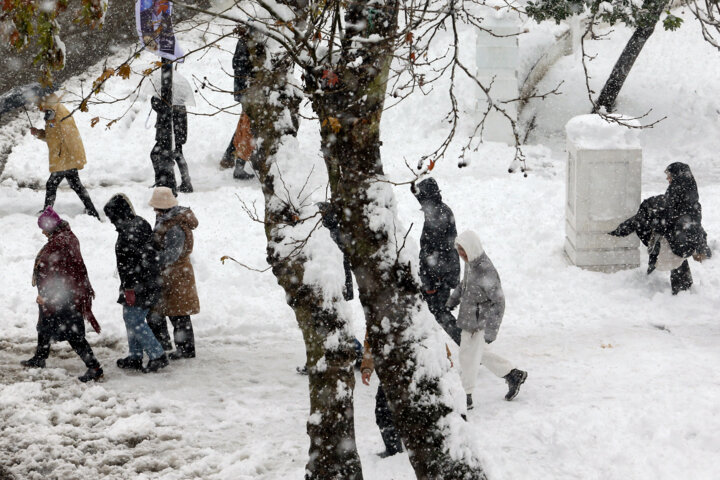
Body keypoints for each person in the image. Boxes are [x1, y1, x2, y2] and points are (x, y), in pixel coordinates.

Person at [21, 207, 103, 382]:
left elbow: (60, 276)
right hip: (67, 293)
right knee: (44, 326)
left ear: (50, 227)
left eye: (43, 228)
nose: (42, 232)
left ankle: (94, 367)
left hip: (64, 297)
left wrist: (48, 297)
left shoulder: (60, 243)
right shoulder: (65, 236)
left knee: (74, 334)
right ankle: (40, 357)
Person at [448, 230, 527, 409]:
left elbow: (499, 302)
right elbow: (464, 284)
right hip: (468, 318)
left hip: (479, 322)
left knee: (467, 357)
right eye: (459, 251)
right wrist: (453, 300)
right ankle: (512, 374)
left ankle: (466, 396)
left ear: (472, 248)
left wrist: (491, 330)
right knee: (477, 354)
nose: (461, 255)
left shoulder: (485, 269)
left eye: (463, 251)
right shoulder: (470, 263)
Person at [609, 162, 711, 294]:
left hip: (679, 243)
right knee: (677, 255)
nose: (667, 179)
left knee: (674, 253)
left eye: (669, 176)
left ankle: (682, 293)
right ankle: (683, 288)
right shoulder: (688, 195)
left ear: (677, 177)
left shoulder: (678, 197)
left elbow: (668, 216)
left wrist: (647, 223)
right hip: (685, 242)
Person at [104, 194, 169, 373]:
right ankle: (135, 356)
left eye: (112, 217)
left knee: (135, 319)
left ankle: (157, 355)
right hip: (146, 281)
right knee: (131, 318)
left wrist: (130, 288)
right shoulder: (139, 222)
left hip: (139, 284)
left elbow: (133, 265)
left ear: (119, 214)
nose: (111, 222)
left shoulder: (129, 232)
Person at [146, 187, 200, 360]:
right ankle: (170, 345)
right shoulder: (166, 219)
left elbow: (172, 254)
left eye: (157, 207)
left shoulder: (175, 226)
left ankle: (186, 350)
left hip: (177, 274)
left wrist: (151, 258)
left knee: (179, 314)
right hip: (171, 273)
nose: (154, 210)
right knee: (169, 310)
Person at [30, 93, 100, 219]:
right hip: (64, 159)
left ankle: (47, 213)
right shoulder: (52, 114)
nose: (39, 108)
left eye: (40, 105)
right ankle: (92, 211)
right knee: (76, 186)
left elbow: (72, 139)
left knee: (51, 184)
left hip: (64, 159)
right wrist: (38, 133)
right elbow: (52, 137)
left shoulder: (61, 116)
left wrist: (74, 158)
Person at [411, 178, 462, 345]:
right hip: (444, 272)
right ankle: (467, 346)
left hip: (439, 275)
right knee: (437, 313)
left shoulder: (437, 216)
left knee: (439, 313)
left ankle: (469, 347)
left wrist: (430, 283)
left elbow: (434, 253)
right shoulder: (439, 210)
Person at [219, 28, 257, 180]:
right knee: (248, 127)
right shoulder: (250, 43)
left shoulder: (244, 42)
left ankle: (229, 157)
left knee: (244, 125)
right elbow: (242, 66)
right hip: (250, 93)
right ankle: (238, 165)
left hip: (245, 92)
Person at [360, 333, 404, 458]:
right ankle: (393, 449)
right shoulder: (374, 317)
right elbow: (370, 344)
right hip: (390, 372)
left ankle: (394, 450)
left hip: (410, 368)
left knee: (385, 412)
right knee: (383, 412)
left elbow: (430, 332)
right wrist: (367, 368)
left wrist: (445, 357)